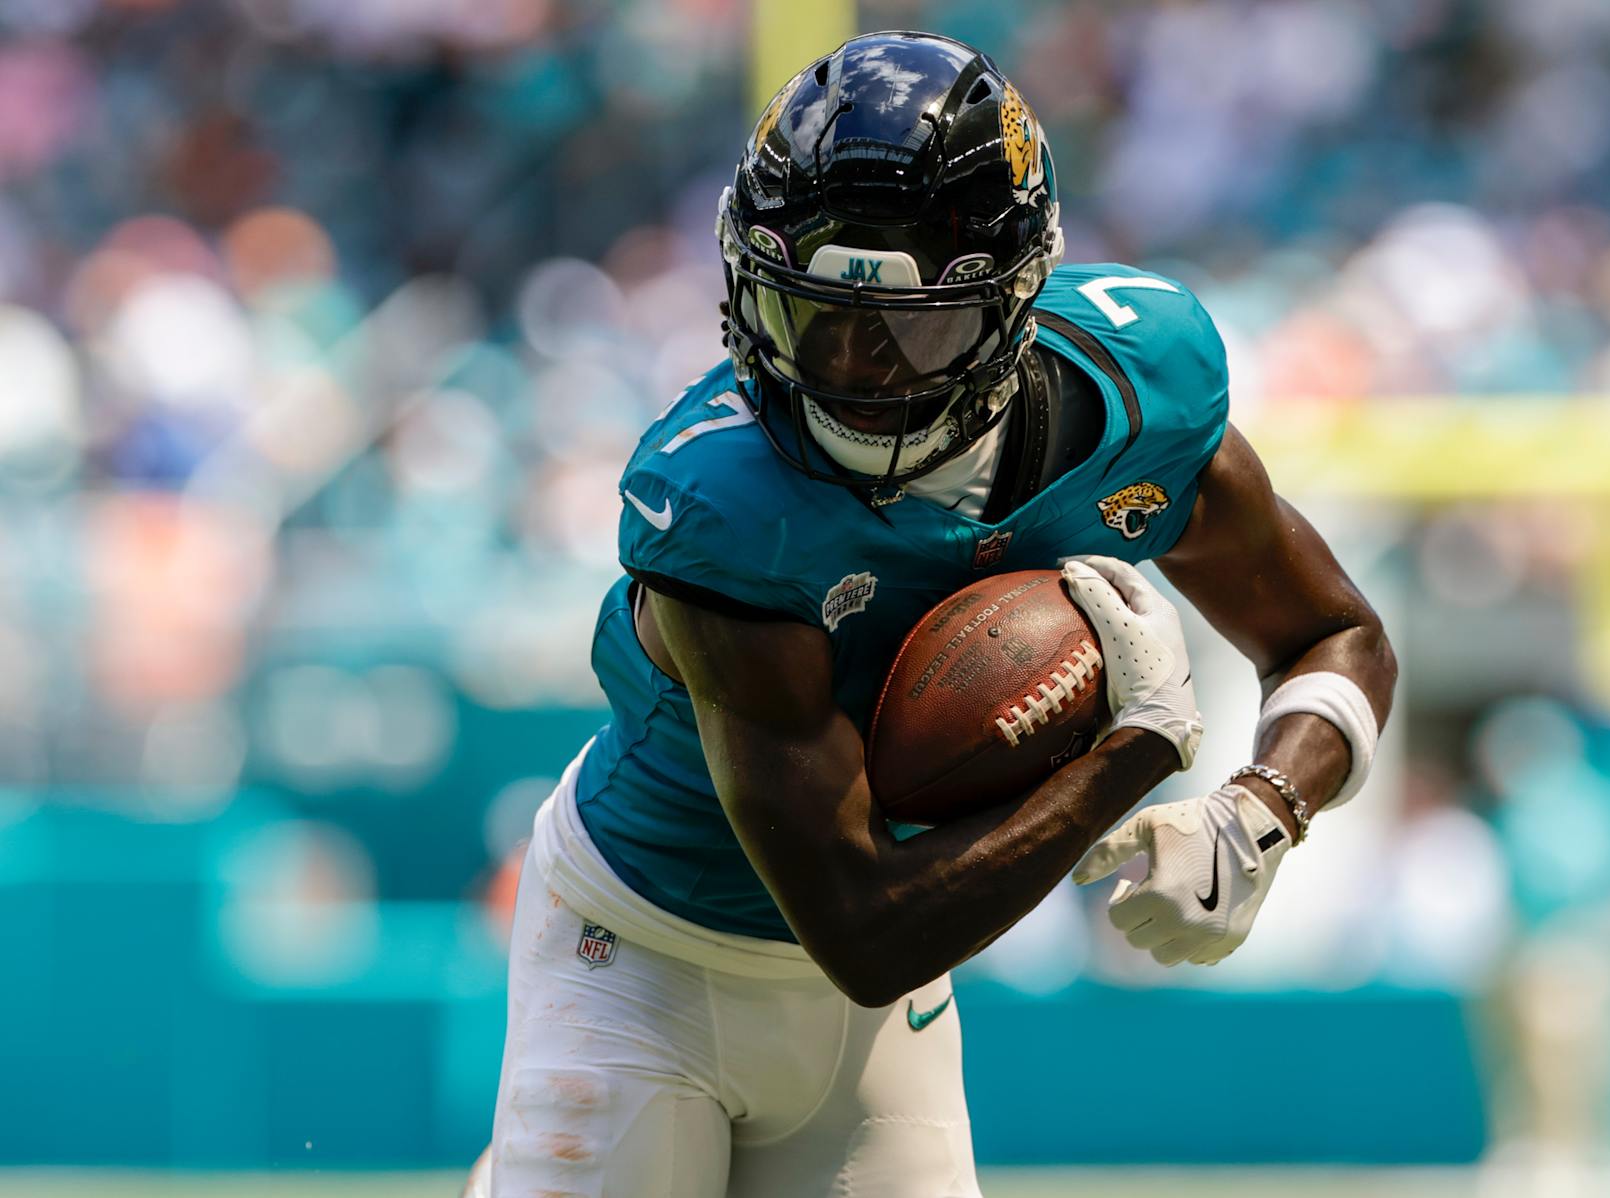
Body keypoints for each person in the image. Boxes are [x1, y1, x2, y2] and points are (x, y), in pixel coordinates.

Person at [470, 30, 1397, 1198]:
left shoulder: (1134, 391)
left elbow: (1333, 634)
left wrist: (1262, 812)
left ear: (1016, 298)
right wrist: (1139, 751)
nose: (857, 368)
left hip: (876, 1012)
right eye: (815, 316)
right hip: (642, 948)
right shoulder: (722, 502)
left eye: (916, 325)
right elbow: (865, 931)